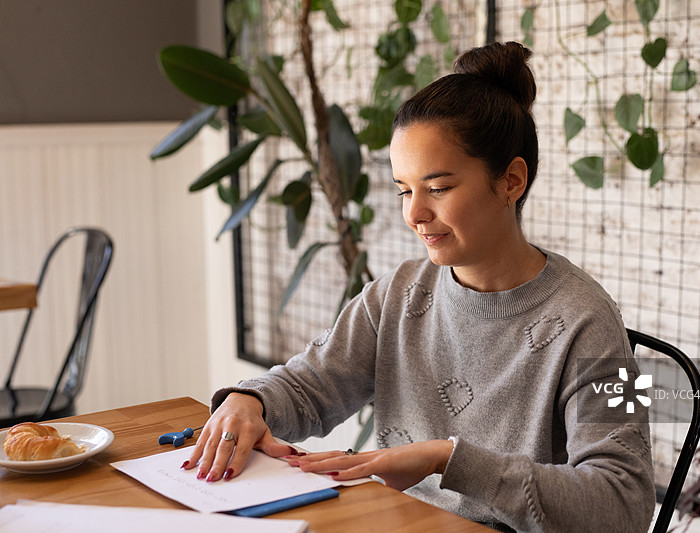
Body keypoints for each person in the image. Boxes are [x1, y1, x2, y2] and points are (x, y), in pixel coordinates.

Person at [185, 41, 655, 532]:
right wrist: (250, 400)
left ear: (512, 180)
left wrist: (447, 459)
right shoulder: (400, 294)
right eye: (405, 190)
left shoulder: (591, 319)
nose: (414, 214)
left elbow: (624, 506)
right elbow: (312, 384)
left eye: (439, 188)